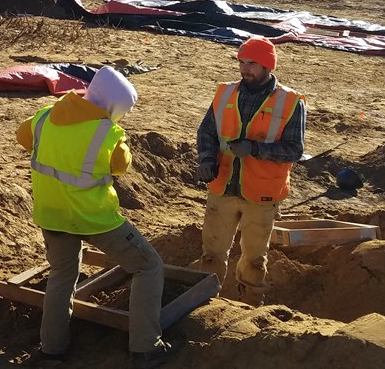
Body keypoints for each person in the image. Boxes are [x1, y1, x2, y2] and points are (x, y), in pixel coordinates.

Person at [17, 66, 173, 367]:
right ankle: (146, 347)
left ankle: (52, 349)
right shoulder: (109, 134)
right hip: (94, 218)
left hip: (52, 215)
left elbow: (23, 137)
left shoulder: (44, 118)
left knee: (62, 276)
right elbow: (120, 166)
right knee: (148, 266)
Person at [195, 36, 305, 305]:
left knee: (255, 260)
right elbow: (207, 131)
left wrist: (256, 150)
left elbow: (294, 149)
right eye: (242, 62)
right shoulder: (225, 93)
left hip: (262, 193)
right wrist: (207, 159)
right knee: (211, 254)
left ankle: (249, 308)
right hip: (223, 186)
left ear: (268, 66)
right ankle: (203, 304)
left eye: (252, 63)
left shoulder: (290, 102)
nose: (245, 69)